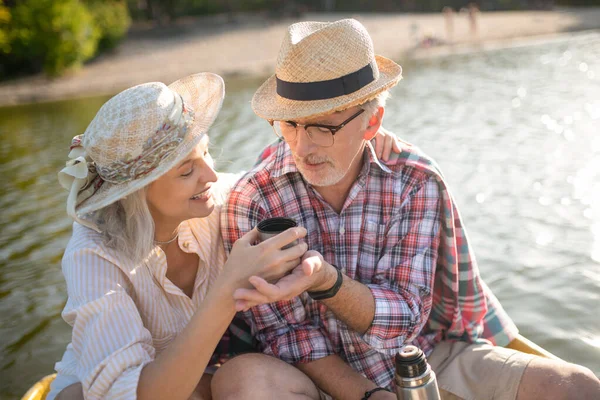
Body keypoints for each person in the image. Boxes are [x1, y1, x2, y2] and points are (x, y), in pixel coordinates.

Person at [220, 19, 600, 400]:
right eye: (290, 123)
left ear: (372, 122)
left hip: (425, 358)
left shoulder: (415, 180)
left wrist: (325, 281)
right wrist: (370, 396)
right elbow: (285, 336)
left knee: (577, 387)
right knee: (245, 381)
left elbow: (405, 316)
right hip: (317, 380)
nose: (302, 146)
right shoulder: (253, 199)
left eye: (323, 127)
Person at [47, 72, 402, 400]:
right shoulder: (92, 255)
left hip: (207, 377)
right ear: (135, 193)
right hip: (123, 389)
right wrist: (226, 288)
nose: (210, 176)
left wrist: (359, 138)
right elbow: (131, 393)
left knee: (245, 376)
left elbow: (286, 165)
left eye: (206, 154)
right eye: (187, 171)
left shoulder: (222, 202)